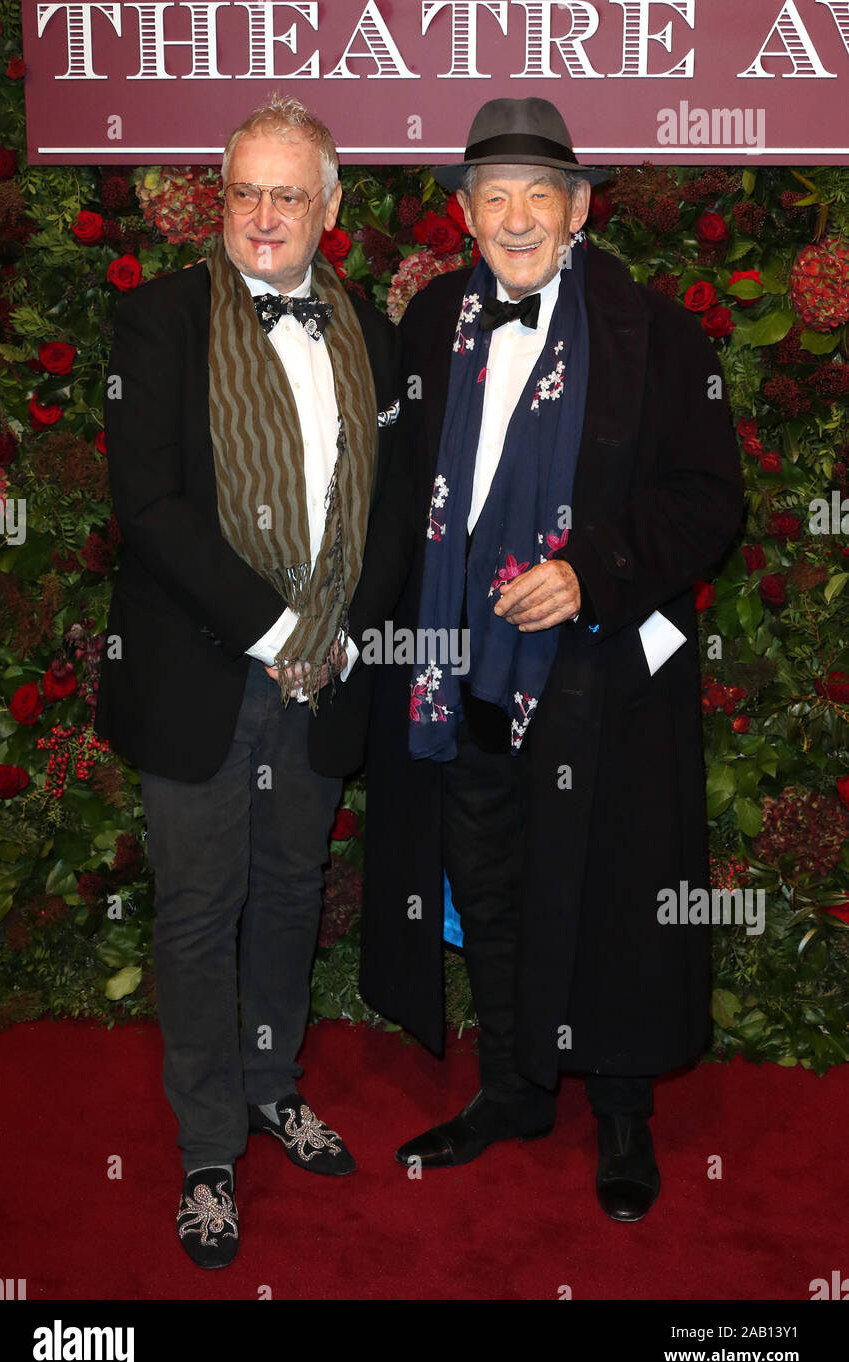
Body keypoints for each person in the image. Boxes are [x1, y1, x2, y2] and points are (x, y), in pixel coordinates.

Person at [360, 97, 744, 1222]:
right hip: (457, 671)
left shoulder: (656, 334)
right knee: (485, 878)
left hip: (596, 674)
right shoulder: (430, 324)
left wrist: (595, 572)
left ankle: (620, 1109)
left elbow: (706, 500)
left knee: (612, 886)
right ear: (465, 215)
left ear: (577, 210)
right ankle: (514, 1086)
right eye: (493, 196)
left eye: (540, 194)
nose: (516, 217)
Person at [94, 94, 409, 1267]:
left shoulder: (372, 333)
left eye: (289, 193)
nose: (263, 214)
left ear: (329, 209)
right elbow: (152, 510)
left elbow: (387, 517)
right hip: (202, 673)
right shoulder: (158, 323)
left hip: (323, 673)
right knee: (195, 908)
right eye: (243, 192)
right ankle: (208, 1147)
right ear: (218, 203)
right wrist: (277, 625)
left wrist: (341, 630)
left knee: (288, 891)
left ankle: (275, 1083)